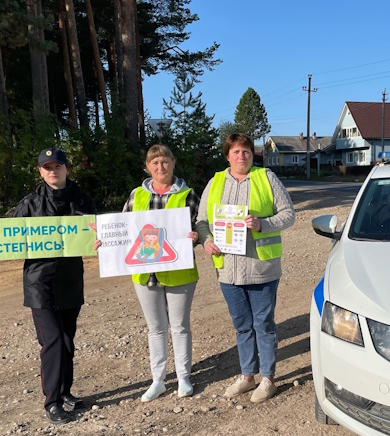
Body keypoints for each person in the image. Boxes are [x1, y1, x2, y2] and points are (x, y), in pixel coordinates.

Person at [0, 147, 97, 425]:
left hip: (70, 281)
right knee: (51, 340)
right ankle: (52, 402)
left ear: (67, 169)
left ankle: (65, 392)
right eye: (47, 167)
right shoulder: (29, 203)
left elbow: (103, 232)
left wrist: (101, 239)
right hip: (39, 283)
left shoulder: (83, 201)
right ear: (40, 172)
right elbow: (1, 237)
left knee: (66, 339)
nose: (53, 171)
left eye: (58, 166)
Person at [197, 133, 295, 403]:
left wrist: (263, 224)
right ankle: (247, 375)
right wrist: (206, 241)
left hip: (261, 267)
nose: (242, 156)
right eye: (236, 152)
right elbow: (202, 220)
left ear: (253, 154)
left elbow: (288, 214)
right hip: (228, 269)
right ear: (227, 155)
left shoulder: (267, 178)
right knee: (242, 326)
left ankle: (268, 378)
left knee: (263, 324)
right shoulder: (215, 182)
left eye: (247, 151)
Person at [120, 144, 202, 402]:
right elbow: (123, 227)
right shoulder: (136, 195)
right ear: (147, 167)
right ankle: (158, 380)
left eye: (164, 162)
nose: (160, 167)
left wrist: (197, 237)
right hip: (145, 273)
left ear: (173, 163)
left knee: (179, 327)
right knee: (155, 328)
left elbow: (202, 226)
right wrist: (105, 239)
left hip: (179, 272)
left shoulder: (188, 195)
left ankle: (183, 378)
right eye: (154, 163)